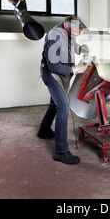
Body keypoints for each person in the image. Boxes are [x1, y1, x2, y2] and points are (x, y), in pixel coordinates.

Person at [38, 15, 90, 165]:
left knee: (55, 103)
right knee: (63, 106)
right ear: (68, 26)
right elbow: (53, 65)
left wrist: (82, 48)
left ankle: (44, 130)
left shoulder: (67, 32)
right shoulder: (54, 35)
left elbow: (72, 44)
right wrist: (75, 69)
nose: (79, 33)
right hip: (51, 74)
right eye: (77, 30)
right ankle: (61, 151)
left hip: (61, 73)